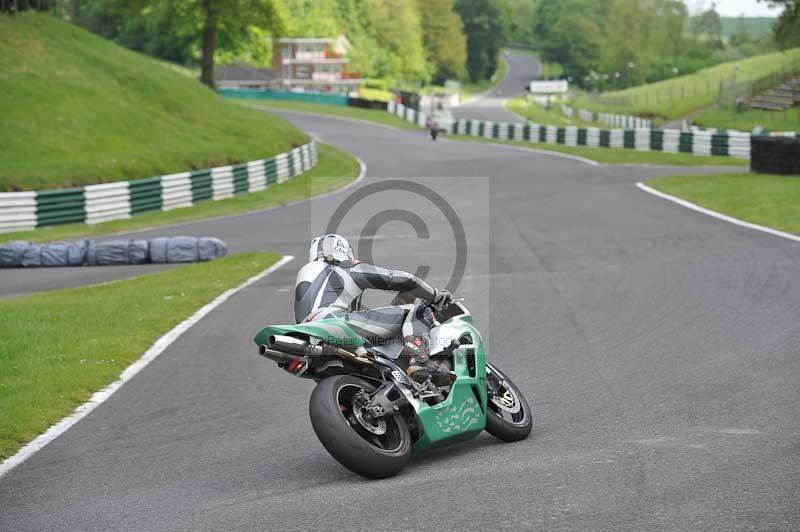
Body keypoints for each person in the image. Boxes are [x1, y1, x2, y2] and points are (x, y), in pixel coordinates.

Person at [294, 234, 453, 381]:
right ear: (343, 250)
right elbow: (401, 279)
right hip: (333, 322)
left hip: (307, 338)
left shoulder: (306, 278)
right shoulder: (344, 267)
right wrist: (435, 295)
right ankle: (420, 361)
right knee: (417, 310)